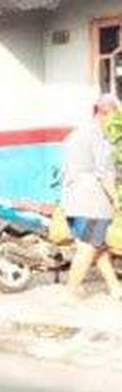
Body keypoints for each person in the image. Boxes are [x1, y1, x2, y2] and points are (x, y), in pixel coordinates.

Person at [60, 94, 122, 301]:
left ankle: (115, 287)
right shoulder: (100, 138)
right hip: (92, 203)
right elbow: (105, 174)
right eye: (116, 115)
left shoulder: (77, 134)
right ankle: (70, 293)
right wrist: (117, 200)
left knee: (97, 246)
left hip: (73, 199)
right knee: (88, 248)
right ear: (106, 113)